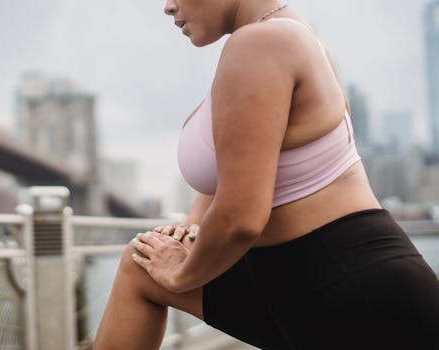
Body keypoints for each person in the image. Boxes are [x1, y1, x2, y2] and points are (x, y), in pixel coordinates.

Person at [93, 1, 439, 349]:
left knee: (149, 269)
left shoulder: (260, 44)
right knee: (142, 264)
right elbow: (237, 169)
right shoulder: (284, 37)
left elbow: (240, 219)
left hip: (356, 291)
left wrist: (181, 274)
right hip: (297, 284)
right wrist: (189, 229)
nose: (168, 6)